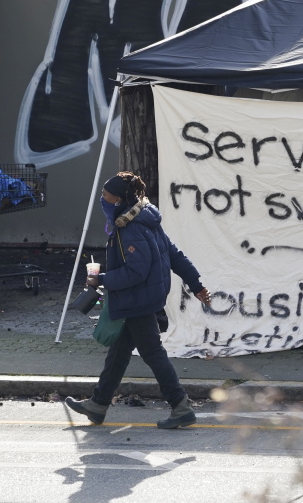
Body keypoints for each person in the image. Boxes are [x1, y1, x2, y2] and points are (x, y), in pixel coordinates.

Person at [65, 171, 211, 429]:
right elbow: (175, 255)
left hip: (138, 301)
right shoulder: (146, 219)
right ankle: (98, 405)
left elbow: (136, 272)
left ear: (119, 198)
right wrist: (197, 284)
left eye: (105, 194)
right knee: (119, 353)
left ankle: (181, 406)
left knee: (153, 353)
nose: (102, 198)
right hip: (144, 298)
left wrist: (101, 280)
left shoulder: (129, 228)